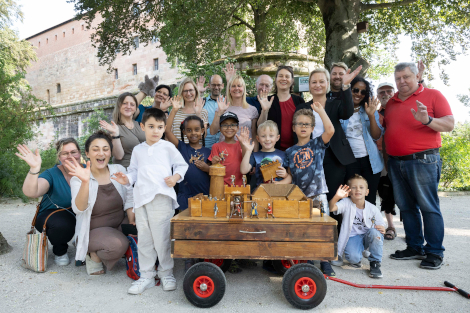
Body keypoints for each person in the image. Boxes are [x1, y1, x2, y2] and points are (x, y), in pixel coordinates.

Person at [384, 62, 454, 269]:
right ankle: (415, 246)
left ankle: (434, 252)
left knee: (428, 208)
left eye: (406, 77)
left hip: (423, 161)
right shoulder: (392, 103)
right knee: (406, 207)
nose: (402, 81)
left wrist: (427, 120)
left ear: (416, 76)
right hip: (396, 163)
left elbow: (449, 124)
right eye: (398, 78)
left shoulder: (433, 95)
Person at [113, 108, 188, 294]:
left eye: (160, 127)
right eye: (151, 126)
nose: (156, 130)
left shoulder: (168, 147)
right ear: (142, 126)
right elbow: (134, 172)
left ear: (164, 128)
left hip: (161, 197)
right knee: (145, 238)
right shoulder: (138, 150)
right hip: (141, 199)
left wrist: (175, 177)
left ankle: (166, 273)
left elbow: (182, 165)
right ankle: (146, 275)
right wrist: (127, 179)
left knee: (162, 238)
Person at [296, 67, 360, 232]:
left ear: (328, 83)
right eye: (314, 82)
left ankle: (333, 244)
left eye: (321, 81)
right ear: (309, 86)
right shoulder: (302, 107)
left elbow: (346, 113)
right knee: (312, 200)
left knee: (334, 198)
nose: (318, 85)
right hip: (311, 159)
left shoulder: (336, 103)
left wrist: (346, 87)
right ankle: (315, 241)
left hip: (335, 158)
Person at [64, 131, 135, 275]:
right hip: (92, 231)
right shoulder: (78, 178)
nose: (101, 153)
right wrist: (85, 182)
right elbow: (79, 209)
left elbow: (129, 197)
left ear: (110, 152)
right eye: (95, 149)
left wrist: (132, 220)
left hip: (119, 224)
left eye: (105, 149)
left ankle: (115, 242)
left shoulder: (118, 170)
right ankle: (92, 254)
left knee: (146, 226)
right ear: (87, 153)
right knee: (118, 245)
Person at [278, 107, 335, 276]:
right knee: (305, 230)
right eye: (299, 124)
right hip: (299, 198)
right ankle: (308, 259)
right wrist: (278, 182)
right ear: (293, 128)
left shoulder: (317, 144)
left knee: (322, 229)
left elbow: (330, 130)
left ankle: (325, 261)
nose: (303, 126)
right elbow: (290, 177)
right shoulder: (289, 152)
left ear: (312, 128)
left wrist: (322, 111)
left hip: (317, 193)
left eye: (307, 124)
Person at [16, 138, 83, 266]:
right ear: (59, 156)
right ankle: (60, 251)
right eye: (65, 153)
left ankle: (83, 242)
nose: (70, 156)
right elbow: (31, 192)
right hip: (54, 214)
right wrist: (34, 168)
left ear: (80, 153)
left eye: (73, 152)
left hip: (80, 212)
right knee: (61, 225)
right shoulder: (51, 174)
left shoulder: (88, 169)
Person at [329, 175, 386, 278]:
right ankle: (360, 251)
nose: (357, 190)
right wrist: (337, 196)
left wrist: (382, 228)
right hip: (353, 236)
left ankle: (375, 263)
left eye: (361, 187)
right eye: (354, 187)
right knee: (353, 259)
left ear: (367, 192)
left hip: (368, 236)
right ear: (349, 191)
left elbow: (381, 225)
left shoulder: (372, 208)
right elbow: (332, 208)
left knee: (375, 233)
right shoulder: (346, 203)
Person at [341, 76, 384, 206]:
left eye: (363, 92)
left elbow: (376, 136)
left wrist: (371, 115)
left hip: (370, 161)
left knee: (369, 200)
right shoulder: (340, 109)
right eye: (355, 90)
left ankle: (369, 226)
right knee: (351, 199)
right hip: (349, 161)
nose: (359, 94)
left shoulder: (369, 110)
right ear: (349, 90)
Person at [165, 95, 211, 211]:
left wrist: (207, 168)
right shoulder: (181, 147)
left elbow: (215, 173)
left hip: (205, 197)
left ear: (202, 131)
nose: (193, 133)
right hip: (184, 198)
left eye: (196, 130)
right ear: (184, 132)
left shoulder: (209, 151)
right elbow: (167, 131)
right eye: (189, 130)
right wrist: (174, 110)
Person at [257, 65, 305, 151]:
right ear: (275, 79)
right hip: (273, 151)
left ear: (292, 80)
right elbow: (260, 126)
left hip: (296, 150)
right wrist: (265, 110)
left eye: (287, 76)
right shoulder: (267, 100)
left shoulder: (299, 101)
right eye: (280, 76)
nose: (284, 79)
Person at [210, 75, 259, 149]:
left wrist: (255, 156)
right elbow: (213, 132)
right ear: (229, 89)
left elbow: (254, 136)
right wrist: (220, 113)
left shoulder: (252, 110)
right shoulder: (222, 107)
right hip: (225, 152)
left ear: (243, 88)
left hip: (245, 152)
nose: (236, 88)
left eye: (239, 85)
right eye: (233, 86)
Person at [99, 92, 145, 168]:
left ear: (136, 108)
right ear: (119, 106)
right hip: (125, 171)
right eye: (125, 103)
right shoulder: (113, 128)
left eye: (132, 104)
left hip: (143, 170)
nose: (128, 106)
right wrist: (115, 134)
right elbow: (118, 156)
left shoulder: (139, 124)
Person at [376, 82, 397, 240]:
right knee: (385, 191)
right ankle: (389, 225)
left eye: (389, 91)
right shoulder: (375, 114)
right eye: (382, 92)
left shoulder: (401, 109)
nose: (385, 94)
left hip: (399, 155)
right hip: (379, 155)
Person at [239, 121, 287, 186]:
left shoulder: (283, 154)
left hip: (278, 193)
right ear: (258, 138)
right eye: (263, 136)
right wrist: (248, 150)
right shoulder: (255, 155)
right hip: (259, 193)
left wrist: (286, 175)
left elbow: (290, 177)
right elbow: (243, 170)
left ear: (277, 138)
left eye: (271, 136)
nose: (267, 139)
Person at [208, 112, 244, 186]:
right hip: (221, 186)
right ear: (220, 129)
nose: (229, 128)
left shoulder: (242, 145)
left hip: (240, 186)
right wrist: (213, 162)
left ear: (237, 128)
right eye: (225, 125)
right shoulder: (216, 146)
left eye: (233, 125)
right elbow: (214, 168)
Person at [171, 77, 209, 145]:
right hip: (178, 152)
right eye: (185, 91)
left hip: (196, 153)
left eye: (191, 90)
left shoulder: (203, 111)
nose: (188, 94)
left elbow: (203, 136)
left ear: (196, 91)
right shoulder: (175, 111)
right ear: (181, 93)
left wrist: (198, 114)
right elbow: (169, 133)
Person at [196, 74, 224, 148]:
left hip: (223, 146)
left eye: (218, 85)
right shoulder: (202, 102)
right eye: (213, 85)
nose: (216, 87)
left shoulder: (227, 103)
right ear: (209, 85)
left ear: (223, 86)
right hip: (206, 146)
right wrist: (199, 93)